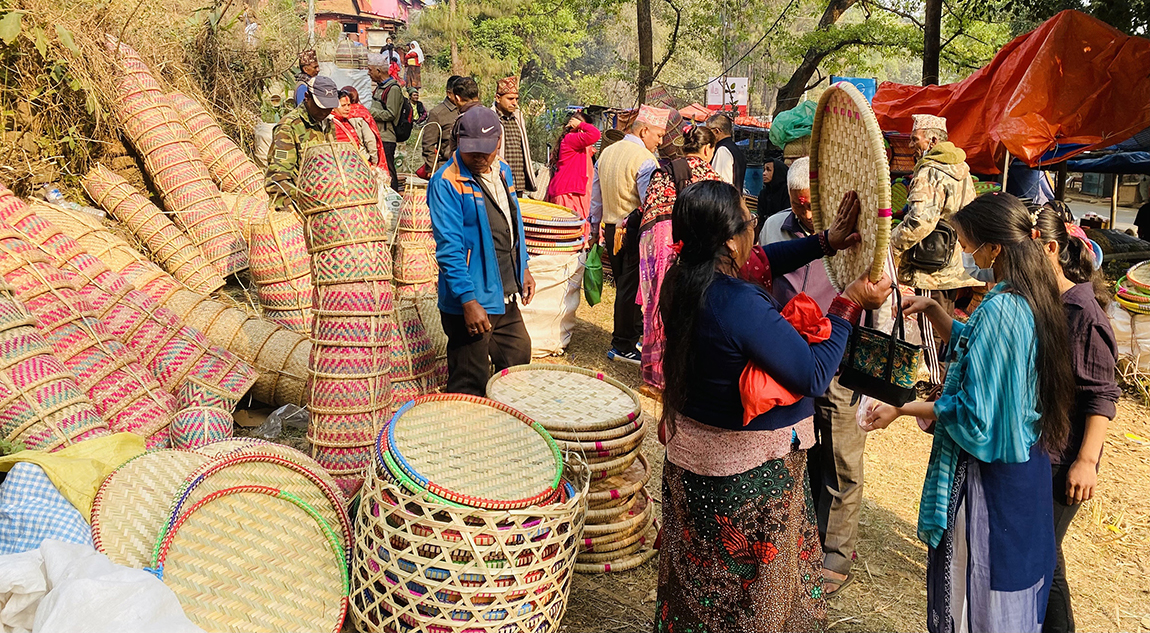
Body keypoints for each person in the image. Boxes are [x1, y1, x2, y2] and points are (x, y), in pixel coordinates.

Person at [656, 180, 891, 633]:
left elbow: (762, 261)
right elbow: (814, 375)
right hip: (748, 485)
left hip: (692, 469)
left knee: (698, 587)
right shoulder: (738, 303)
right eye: (748, 224)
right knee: (750, 597)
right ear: (727, 241)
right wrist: (848, 304)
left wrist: (825, 242)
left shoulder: (681, 280)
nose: (755, 232)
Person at [862, 192, 1075, 633]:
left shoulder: (1001, 308)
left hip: (989, 484)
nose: (962, 252)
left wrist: (902, 408)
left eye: (965, 242)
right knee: (1012, 594)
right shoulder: (1033, 297)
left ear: (993, 248)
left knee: (979, 596)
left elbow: (976, 414)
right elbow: (993, 358)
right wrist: (941, 315)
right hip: (1023, 474)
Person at [757, 155, 866, 597]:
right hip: (789, 361)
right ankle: (803, 541)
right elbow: (762, 276)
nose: (804, 214)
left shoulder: (859, 236)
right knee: (800, 450)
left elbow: (877, 298)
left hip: (839, 360)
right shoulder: (770, 228)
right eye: (797, 205)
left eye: (811, 205)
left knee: (841, 456)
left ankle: (835, 555)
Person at [1035, 203, 1120, 633]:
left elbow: (1101, 395)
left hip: (1065, 457)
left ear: (1050, 249)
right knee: (1044, 551)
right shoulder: (1048, 303)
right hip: (1042, 450)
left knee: (1044, 557)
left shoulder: (1084, 313)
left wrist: (1086, 461)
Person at [428, 107, 537, 396]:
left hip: (503, 290)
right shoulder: (446, 182)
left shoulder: (503, 171)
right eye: (471, 151)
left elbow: (514, 223)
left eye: (484, 151)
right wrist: (468, 301)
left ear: (498, 143)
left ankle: (506, 428)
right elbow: (449, 249)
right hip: (472, 299)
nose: (477, 158)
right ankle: (464, 435)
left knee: (517, 357)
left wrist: (522, 266)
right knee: (469, 380)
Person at [890, 113, 979, 385]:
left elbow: (920, 220)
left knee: (930, 326)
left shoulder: (929, 171)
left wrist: (892, 244)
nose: (911, 144)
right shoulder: (961, 170)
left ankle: (937, 384)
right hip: (956, 263)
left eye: (915, 139)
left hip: (930, 267)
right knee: (945, 323)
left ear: (933, 139)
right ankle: (949, 377)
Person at [637, 126, 719, 392]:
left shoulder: (665, 168)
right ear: (707, 149)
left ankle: (651, 373)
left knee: (655, 303)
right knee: (676, 305)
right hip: (676, 240)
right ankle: (666, 378)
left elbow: (647, 204)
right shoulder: (708, 174)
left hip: (651, 238)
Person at [589, 105, 666, 365]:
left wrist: (593, 228)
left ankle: (630, 336)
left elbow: (596, 199)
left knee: (625, 284)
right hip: (634, 230)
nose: (660, 141)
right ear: (644, 131)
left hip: (611, 229)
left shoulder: (607, 152)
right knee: (630, 287)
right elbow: (649, 201)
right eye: (658, 135)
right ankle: (622, 343)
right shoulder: (645, 160)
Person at [265, 77, 340, 210]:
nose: (325, 111)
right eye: (320, 106)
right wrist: (288, 211)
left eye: (329, 107)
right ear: (307, 97)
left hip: (324, 203)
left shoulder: (327, 123)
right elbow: (278, 177)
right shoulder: (289, 127)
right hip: (299, 206)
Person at [545, 112, 601, 227]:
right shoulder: (572, 139)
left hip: (570, 192)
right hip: (568, 194)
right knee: (569, 234)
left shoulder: (573, 141)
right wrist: (580, 125)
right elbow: (595, 134)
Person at [492, 76, 536, 196]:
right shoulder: (490, 117)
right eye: (510, 98)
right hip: (498, 178)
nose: (515, 103)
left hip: (518, 180)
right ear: (498, 98)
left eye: (516, 99)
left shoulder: (518, 117)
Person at [369, 53, 404, 191]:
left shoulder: (393, 89)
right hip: (378, 135)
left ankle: (393, 198)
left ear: (378, 71)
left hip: (387, 136)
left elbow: (391, 113)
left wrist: (369, 111)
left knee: (389, 171)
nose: (369, 73)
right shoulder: (379, 87)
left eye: (370, 70)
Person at [418, 75, 461, 179]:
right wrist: (431, 168)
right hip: (446, 166)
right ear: (449, 94)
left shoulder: (467, 110)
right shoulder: (437, 113)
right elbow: (429, 144)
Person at [334, 89, 381, 167]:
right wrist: (374, 160)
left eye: (348, 105)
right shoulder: (330, 124)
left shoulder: (348, 122)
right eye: (343, 105)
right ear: (333, 107)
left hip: (358, 164)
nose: (347, 109)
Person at [706, 113, 746, 192]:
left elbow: (718, 184)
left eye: (708, 131)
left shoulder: (723, 150)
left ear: (717, 131)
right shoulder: (735, 149)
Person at [755, 157, 789, 229]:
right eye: (764, 170)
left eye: (768, 170)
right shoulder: (763, 193)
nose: (764, 173)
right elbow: (761, 215)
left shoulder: (786, 192)